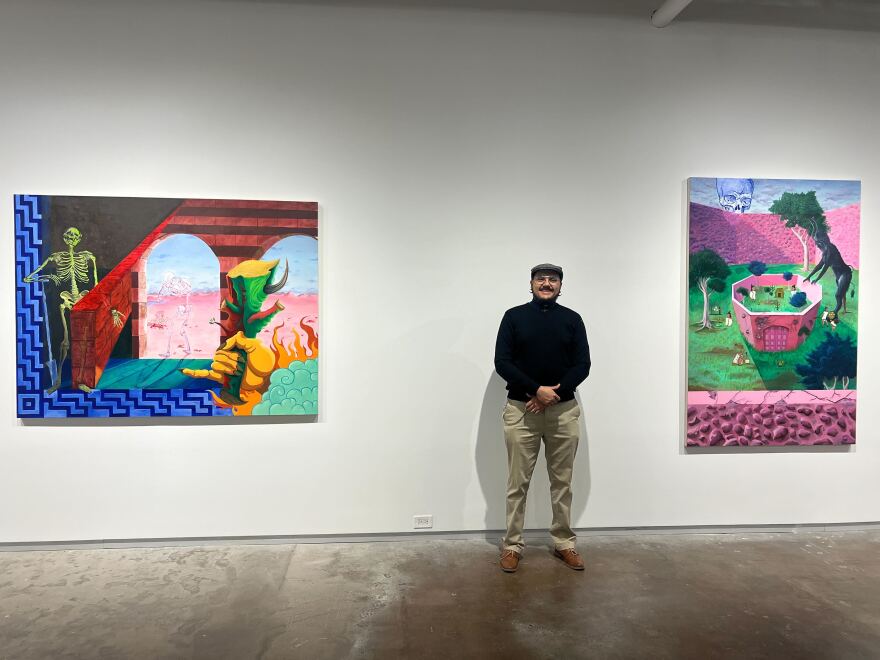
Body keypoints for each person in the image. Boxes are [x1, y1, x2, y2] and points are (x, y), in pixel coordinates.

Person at [494, 264, 591, 573]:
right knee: (516, 483)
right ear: (531, 284)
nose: (546, 284)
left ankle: (564, 543)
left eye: (553, 279)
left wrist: (555, 394)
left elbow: (582, 365)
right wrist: (535, 391)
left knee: (562, 482)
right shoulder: (513, 317)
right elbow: (502, 362)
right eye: (541, 279)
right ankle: (512, 545)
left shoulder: (572, 320)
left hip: (563, 412)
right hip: (521, 411)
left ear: (560, 286)